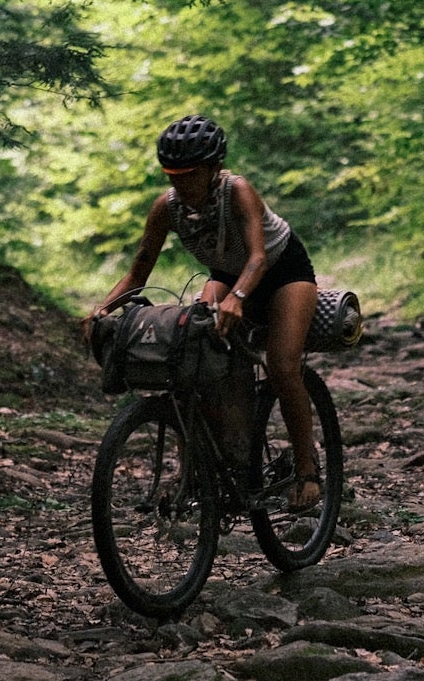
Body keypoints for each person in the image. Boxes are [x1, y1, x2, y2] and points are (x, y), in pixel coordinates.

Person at [88, 115, 322, 509]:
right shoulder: (166, 207)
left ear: (214, 169)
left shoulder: (238, 191)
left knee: (282, 365)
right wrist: (101, 311)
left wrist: (239, 297)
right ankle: (193, 471)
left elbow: (258, 257)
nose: (181, 183)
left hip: (282, 272)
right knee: (188, 351)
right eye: (172, 175)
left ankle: (307, 470)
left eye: (190, 174)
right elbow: (137, 273)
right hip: (227, 276)